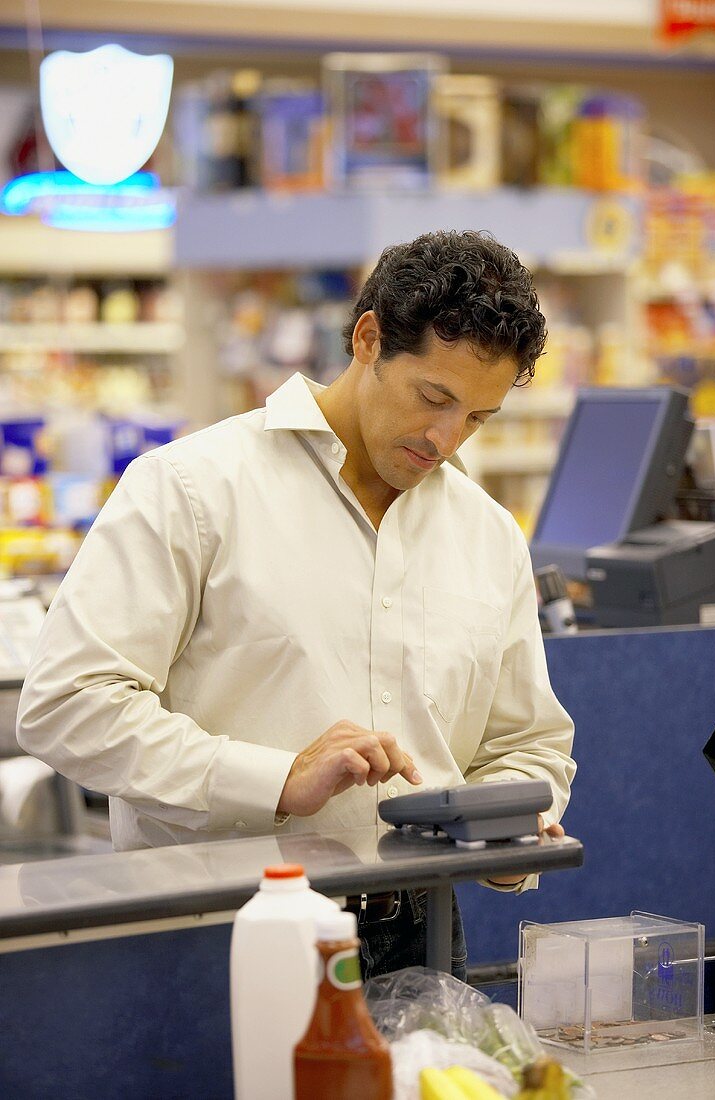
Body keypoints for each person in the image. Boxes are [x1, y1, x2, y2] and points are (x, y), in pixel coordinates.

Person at [17, 230, 576, 980]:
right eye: (433, 398)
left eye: (476, 418)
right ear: (368, 338)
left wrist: (506, 828)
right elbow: (66, 705)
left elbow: (527, 743)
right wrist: (276, 780)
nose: (445, 439)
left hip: (423, 934)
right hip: (222, 924)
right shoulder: (191, 488)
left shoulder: (486, 535)